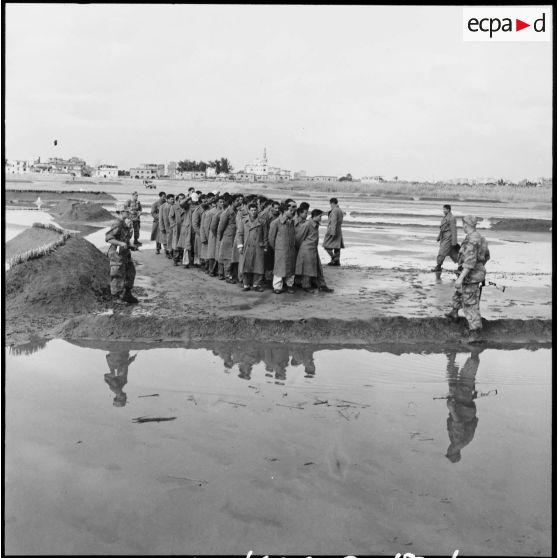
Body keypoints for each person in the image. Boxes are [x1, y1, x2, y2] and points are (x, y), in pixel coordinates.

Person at [445, 215, 490, 343]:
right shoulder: (480, 238)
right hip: (472, 273)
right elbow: (486, 256)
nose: (462, 226)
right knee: (460, 293)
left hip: (471, 276)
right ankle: (454, 313)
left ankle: (475, 333)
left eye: (463, 224)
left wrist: (461, 277)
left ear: (466, 225)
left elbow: (470, 262)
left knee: (470, 304)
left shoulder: (472, 241)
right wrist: (479, 269)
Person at [445, 347, 482, 463]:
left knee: (452, 385)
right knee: (466, 380)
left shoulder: (463, 443)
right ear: (453, 452)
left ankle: (452, 357)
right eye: (448, 452)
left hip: (467, 407)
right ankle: (474, 352)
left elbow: (474, 422)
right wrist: (451, 409)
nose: (448, 450)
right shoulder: (457, 443)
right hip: (462, 406)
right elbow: (458, 422)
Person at [105, 202, 138, 304]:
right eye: (126, 211)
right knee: (117, 275)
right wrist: (120, 243)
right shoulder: (117, 224)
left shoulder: (125, 224)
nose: (128, 213)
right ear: (120, 212)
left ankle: (127, 294)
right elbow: (108, 238)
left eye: (128, 211)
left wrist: (130, 246)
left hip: (125, 253)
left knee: (131, 272)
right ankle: (117, 297)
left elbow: (125, 240)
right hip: (116, 255)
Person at [268, 201, 297, 294]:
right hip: (280, 250)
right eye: (290, 210)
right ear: (284, 211)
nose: (292, 212)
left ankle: (290, 285)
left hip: (291, 250)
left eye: (293, 210)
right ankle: (277, 287)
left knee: (290, 269)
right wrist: (278, 248)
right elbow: (271, 239)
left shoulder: (292, 222)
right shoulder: (275, 223)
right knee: (279, 269)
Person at [237, 202, 267, 292]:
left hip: (258, 246)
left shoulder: (262, 221)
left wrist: (265, 246)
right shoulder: (243, 221)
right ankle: (246, 284)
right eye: (251, 210)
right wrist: (240, 246)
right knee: (246, 265)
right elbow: (240, 234)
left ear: (257, 211)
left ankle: (256, 284)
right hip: (247, 246)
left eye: (255, 210)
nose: (253, 212)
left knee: (258, 266)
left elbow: (265, 235)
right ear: (248, 211)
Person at [295, 209, 323, 293]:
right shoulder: (307, 224)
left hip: (312, 248)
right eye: (320, 216)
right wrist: (301, 248)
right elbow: (299, 237)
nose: (321, 218)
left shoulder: (315, 224)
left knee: (310, 267)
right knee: (307, 268)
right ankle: (306, 285)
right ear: (315, 216)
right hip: (307, 249)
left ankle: (307, 284)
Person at [433, 204, 458, 272]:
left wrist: (454, 241)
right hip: (444, 237)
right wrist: (438, 237)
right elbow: (442, 229)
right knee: (453, 253)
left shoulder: (452, 218)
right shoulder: (445, 217)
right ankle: (462, 265)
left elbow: (454, 230)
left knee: (442, 252)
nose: (443, 211)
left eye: (445, 209)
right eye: (443, 209)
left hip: (448, 238)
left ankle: (438, 266)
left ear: (448, 210)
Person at [323, 197, 344, 266]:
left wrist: (332, 232)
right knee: (337, 247)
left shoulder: (334, 210)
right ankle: (337, 261)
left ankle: (334, 259)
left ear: (332, 203)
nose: (330, 205)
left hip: (333, 230)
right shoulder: (340, 210)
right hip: (339, 230)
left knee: (326, 245)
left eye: (330, 204)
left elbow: (333, 222)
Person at [159, 193, 174, 259]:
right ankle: (166, 252)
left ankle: (170, 252)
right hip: (165, 226)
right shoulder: (162, 207)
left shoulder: (174, 206)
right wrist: (161, 227)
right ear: (167, 199)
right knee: (165, 240)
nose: (173, 200)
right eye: (171, 199)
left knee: (170, 240)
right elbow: (160, 218)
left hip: (172, 226)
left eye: (173, 199)